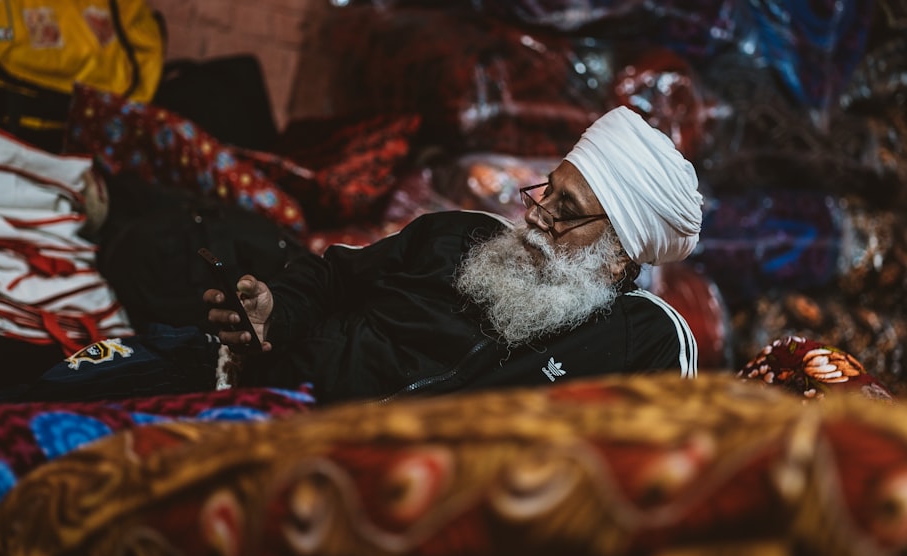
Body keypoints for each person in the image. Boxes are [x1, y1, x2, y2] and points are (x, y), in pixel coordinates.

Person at [205, 106, 704, 404]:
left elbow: (652, 468)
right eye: (545, 192)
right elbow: (334, 275)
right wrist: (280, 309)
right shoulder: (460, 234)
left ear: (618, 254)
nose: (535, 214)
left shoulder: (647, 337)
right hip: (274, 406)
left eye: (565, 210)